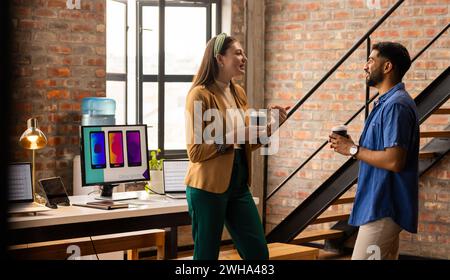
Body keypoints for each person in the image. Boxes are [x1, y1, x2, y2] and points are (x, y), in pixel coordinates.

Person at [184, 33, 289, 260]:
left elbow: (246, 143)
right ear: (220, 58)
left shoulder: (238, 93)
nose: (244, 58)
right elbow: (195, 152)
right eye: (238, 53)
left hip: (239, 185)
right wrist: (233, 136)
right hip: (207, 189)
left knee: (258, 254)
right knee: (206, 258)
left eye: (243, 53)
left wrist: (273, 125)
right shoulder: (199, 95)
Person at [329, 42, 419, 260]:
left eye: (371, 60)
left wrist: (351, 148)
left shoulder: (396, 105)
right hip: (379, 205)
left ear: (387, 67)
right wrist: (351, 146)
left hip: (383, 207)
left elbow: (394, 160)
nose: (365, 66)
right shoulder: (386, 103)